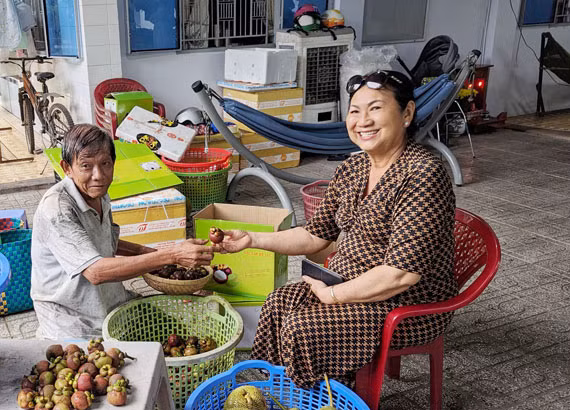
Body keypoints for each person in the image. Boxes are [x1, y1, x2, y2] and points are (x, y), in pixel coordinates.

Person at [216, 70, 457, 388]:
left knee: (303, 327)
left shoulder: (423, 173)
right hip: (347, 284)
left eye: (375, 108)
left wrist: (332, 295)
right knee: (278, 304)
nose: (363, 121)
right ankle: (279, 390)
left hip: (407, 303)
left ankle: (322, 402)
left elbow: (402, 275)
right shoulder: (354, 167)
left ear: (407, 113)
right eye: (355, 111)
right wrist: (252, 239)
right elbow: (315, 234)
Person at [31, 124, 214, 340]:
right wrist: (171, 255)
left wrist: (147, 252)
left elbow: (105, 238)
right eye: (86, 166)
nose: (98, 175)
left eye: (105, 164)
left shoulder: (98, 193)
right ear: (67, 168)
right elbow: (96, 272)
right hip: (72, 321)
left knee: (175, 336)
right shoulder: (58, 210)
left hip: (110, 301)